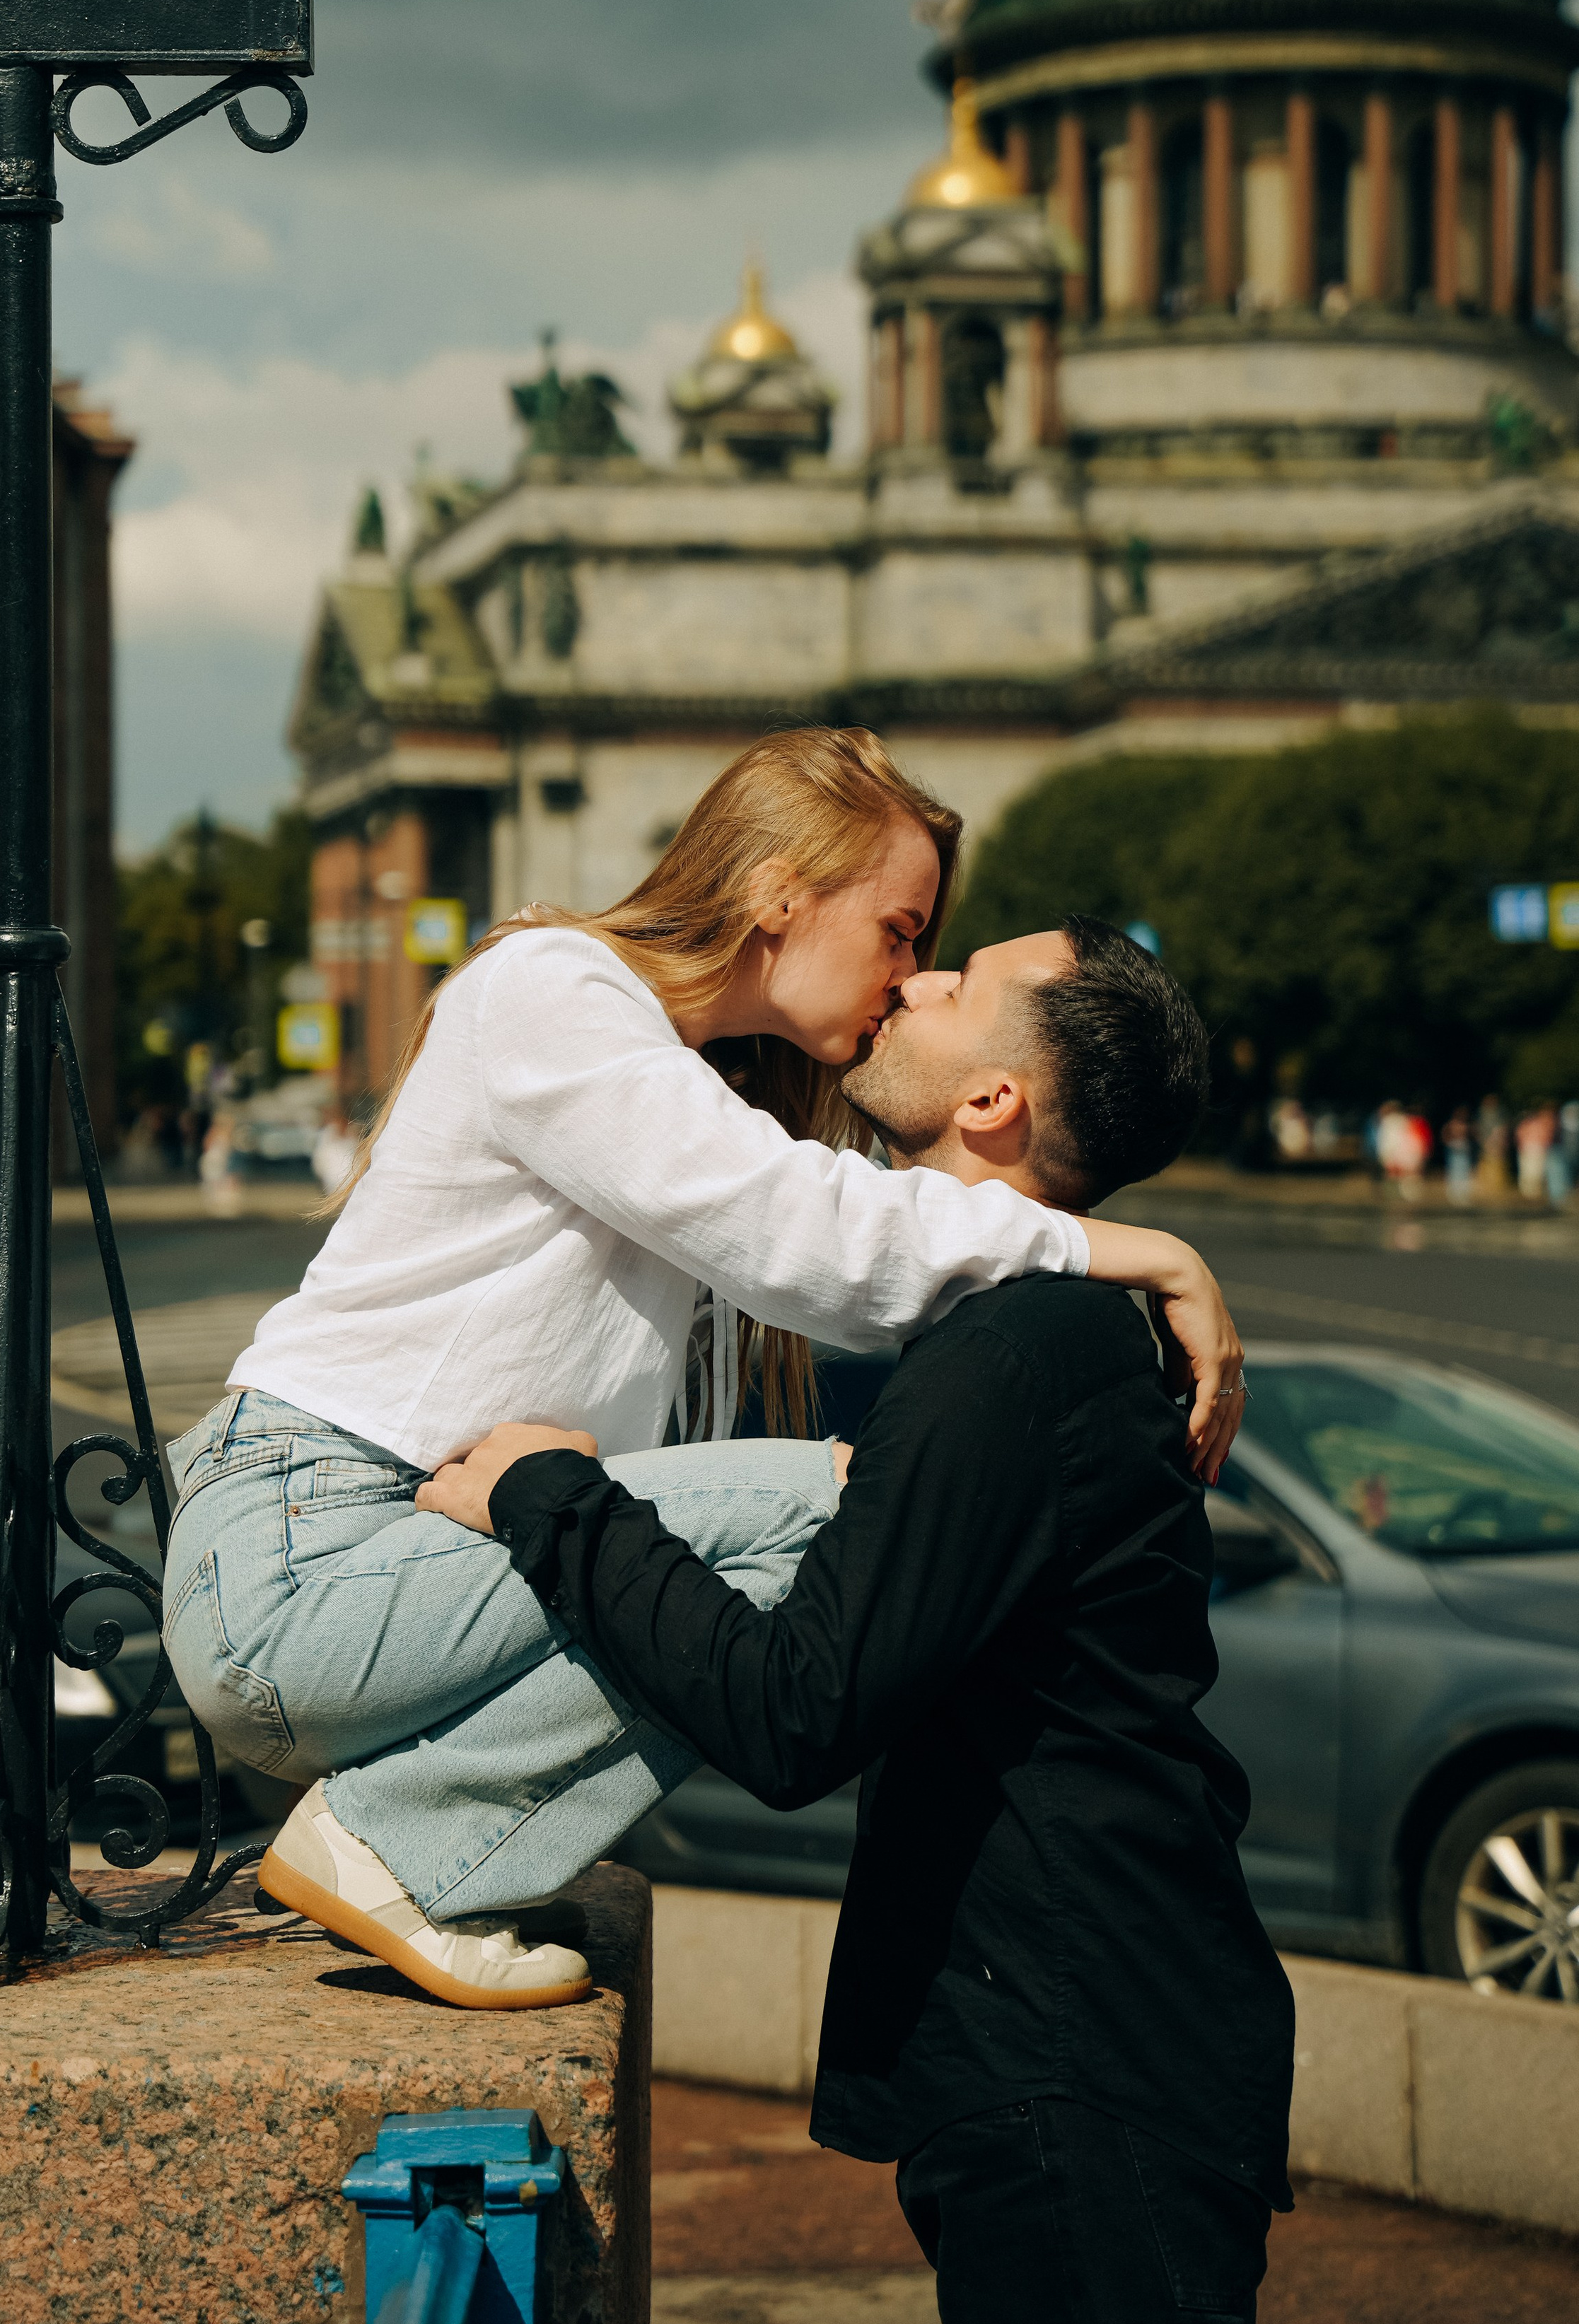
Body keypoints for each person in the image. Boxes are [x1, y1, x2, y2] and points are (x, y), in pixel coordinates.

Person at [164, 730, 1243, 2009]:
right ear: (785, 893)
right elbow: (814, 1240)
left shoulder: (683, 1078)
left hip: (391, 1570)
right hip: (300, 1569)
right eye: (900, 929)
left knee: (730, 1560)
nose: (906, 975)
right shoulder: (557, 992)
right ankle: (398, 1845)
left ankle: (407, 1839)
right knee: (842, 1509)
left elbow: (851, 1255)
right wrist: (1136, 1249)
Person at [416, 921, 1292, 2324]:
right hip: (1079, 2038)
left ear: (993, 1104)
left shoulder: (1019, 1355)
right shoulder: (1030, 1331)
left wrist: (551, 1499)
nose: (912, 979)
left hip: (1081, 2062)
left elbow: (791, 1707)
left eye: (956, 979)